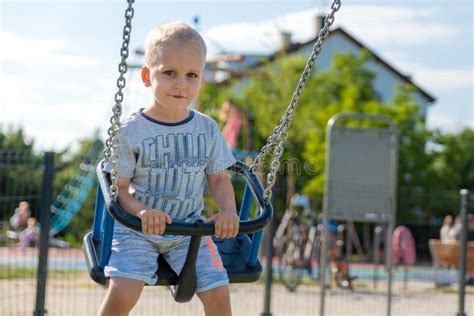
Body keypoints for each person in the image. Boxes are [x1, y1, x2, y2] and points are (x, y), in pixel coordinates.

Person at [98, 21, 238, 316]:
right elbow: (119, 188)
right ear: (148, 76)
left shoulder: (207, 128)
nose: (181, 84)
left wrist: (227, 211)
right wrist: (141, 212)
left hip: (189, 229)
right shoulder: (131, 131)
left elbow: (220, 178)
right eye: (170, 73)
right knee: (122, 294)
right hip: (136, 229)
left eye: (191, 75)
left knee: (219, 296)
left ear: (201, 79)